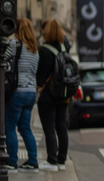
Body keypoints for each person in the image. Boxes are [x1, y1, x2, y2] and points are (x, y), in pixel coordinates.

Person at [4, 18, 40, 173]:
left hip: (17, 92)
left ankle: (12, 162)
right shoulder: (34, 49)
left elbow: (3, 60)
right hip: (31, 93)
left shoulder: (14, 45)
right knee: (25, 128)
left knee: (10, 126)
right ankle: (33, 161)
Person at [36, 19, 72, 171]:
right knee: (61, 127)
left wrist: (39, 86)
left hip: (48, 95)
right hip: (64, 94)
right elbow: (66, 39)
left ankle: (52, 160)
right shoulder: (65, 47)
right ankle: (61, 161)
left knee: (49, 128)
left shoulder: (43, 51)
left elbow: (40, 74)